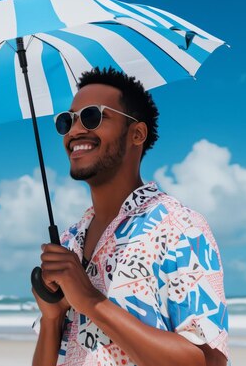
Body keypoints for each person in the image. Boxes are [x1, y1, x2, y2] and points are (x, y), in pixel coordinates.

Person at [32, 67, 229, 366]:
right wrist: (51, 316)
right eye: (66, 120)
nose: (74, 131)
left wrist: (91, 301)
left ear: (136, 133)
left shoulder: (179, 227)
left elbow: (208, 362)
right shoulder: (70, 240)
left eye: (92, 116)